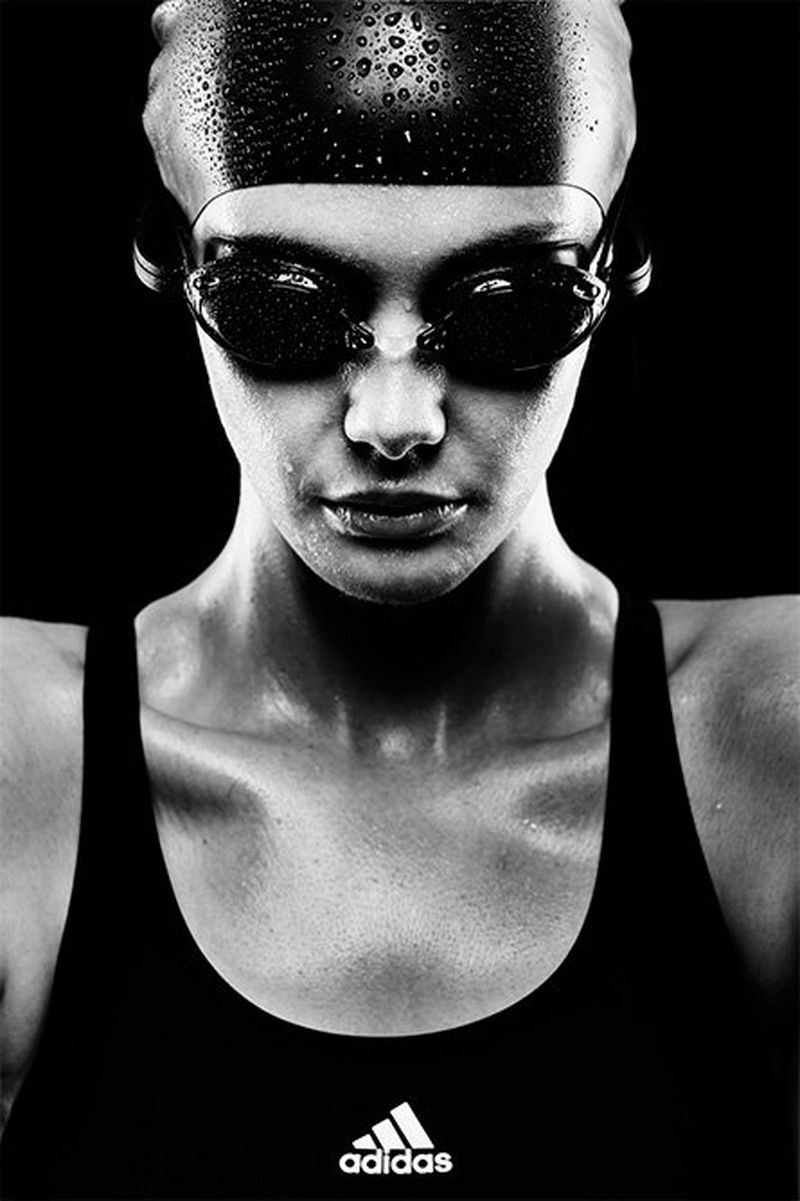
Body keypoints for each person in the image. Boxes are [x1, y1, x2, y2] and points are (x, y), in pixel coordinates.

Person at [0, 1, 796, 1198]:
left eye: (509, 306)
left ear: (619, 258)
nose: (394, 421)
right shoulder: (20, 761)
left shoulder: (769, 737)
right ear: (166, 256)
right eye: (278, 303)